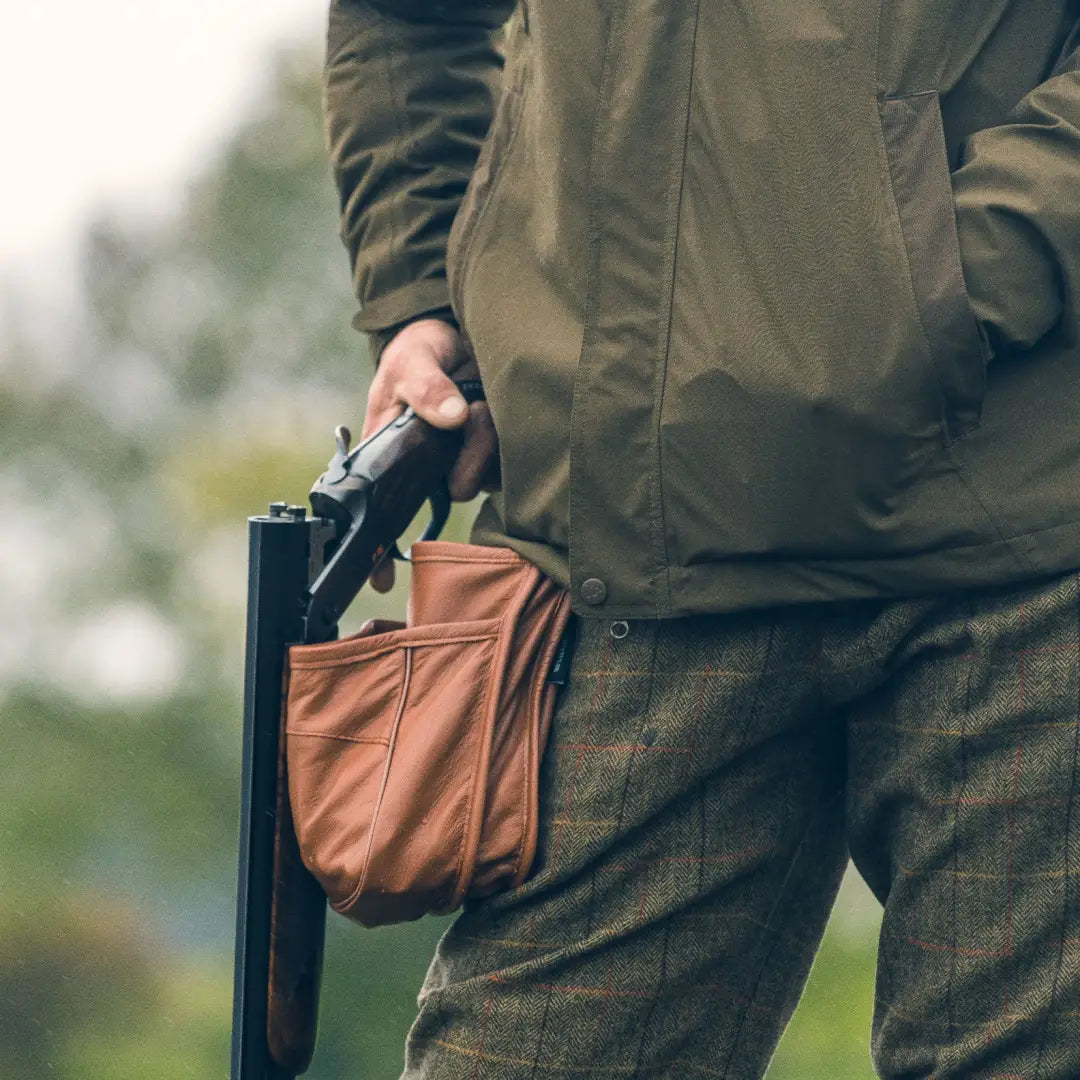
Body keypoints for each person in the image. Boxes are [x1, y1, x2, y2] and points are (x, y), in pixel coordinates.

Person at [324, 2, 1080, 1076]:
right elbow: (405, 17)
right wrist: (420, 298)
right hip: (630, 565)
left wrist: (944, 289)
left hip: (1022, 557)